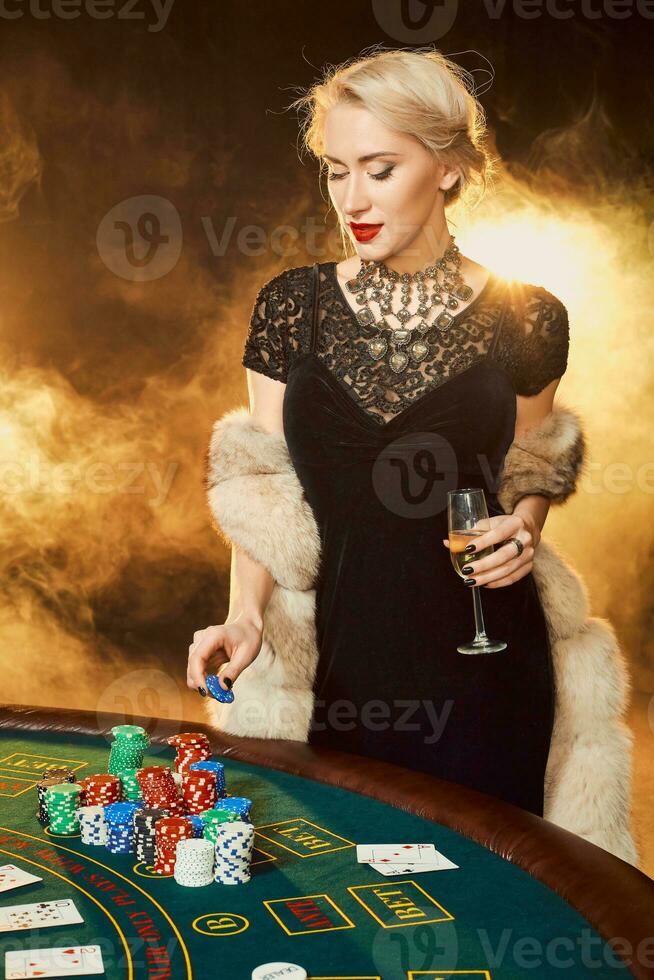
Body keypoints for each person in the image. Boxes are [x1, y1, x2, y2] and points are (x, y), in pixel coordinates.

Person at [187, 48, 572, 817]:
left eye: (380, 168)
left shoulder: (528, 316)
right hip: (341, 671)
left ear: (449, 169)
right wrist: (246, 613)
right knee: (344, 910)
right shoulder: (290, 307)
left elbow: (533, 461)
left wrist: (523, 530)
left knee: (487, 907)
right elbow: (265, 488)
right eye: (337, 170)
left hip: (484, 668)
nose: (352, 198)